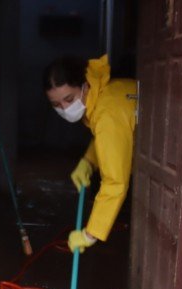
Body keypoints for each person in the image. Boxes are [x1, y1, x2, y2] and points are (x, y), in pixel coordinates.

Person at [43, 55, 137, 253]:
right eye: (56, 104)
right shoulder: (103, 95)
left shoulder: (107, 112)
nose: (65, 108)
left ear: (84, 86)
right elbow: (109, 138)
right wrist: (88, 161)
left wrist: (90, 234)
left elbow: (115, 182)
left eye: (69, 99)